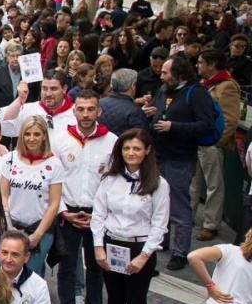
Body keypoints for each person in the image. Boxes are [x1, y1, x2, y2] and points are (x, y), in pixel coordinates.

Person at [88, 128, 170, 304]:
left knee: (136, 301)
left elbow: (160, 223)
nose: (131, 153)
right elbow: (99, 215)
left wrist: (144, 256)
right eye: (126, 148)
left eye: (136, 148)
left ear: (147, 151)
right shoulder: (110, 180)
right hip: (113, 243)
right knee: (114, 295)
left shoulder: (159, 184)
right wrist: (98, 247)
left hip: (139, 246)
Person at [49, 90, 117, 304]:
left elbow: (113, 182)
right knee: (66, 264)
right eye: (81, 109)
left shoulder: (112, 142)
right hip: (68, 212)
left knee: (96, 265)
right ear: (74, 110)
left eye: (91, 109)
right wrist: (64, 212)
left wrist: (98, 215)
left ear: (99, 111)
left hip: (97, 215)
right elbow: (52, 179)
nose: (85, 114)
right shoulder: (59, 140)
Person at [144, 57, 216, 271]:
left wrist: (174, 127)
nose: (161, 76)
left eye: (166, 73)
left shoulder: (197, 93)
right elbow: (158, 112)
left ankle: (180, 251)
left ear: (180, 74)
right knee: (157, 201)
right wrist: (151, 113)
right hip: (158, 155)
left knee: (178, 205)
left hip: (180, 158)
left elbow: (206, 125)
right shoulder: (163, 90)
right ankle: (161, 241)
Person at [0, 116, 65, 276]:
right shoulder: (9, 159)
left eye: (36, 134)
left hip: (40, 229)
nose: (31, 138)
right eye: (27, 134)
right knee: (8, 271)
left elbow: (54, 203)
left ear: (44, 135)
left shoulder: (54, 164)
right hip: (12, 225)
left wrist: (37, 235)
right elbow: (3, 195)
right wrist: (9, 225)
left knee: (33, 274)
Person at [190, 49, 240, 242]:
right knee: (193, 184)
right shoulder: (204, 84)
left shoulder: (227, 86)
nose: (197, 65)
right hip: (197, 141)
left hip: (211, 144)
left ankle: (211, 224)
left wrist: (215, 141)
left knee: (214, 185)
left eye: (201, 62)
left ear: (212, 64)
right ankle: (188, 216)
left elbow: (230, 120)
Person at [0, 70, 75, 144]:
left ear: (64, 89)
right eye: (44, 88)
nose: (48, 94)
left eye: (53, 89)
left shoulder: (77, 113)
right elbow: (2, 126)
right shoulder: (30, 109)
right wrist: (20, 100)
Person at [99, 69, 148, 135]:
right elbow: (141, 137)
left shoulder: (98, 103)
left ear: (112, 85)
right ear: (133, 86)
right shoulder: (135, 111)